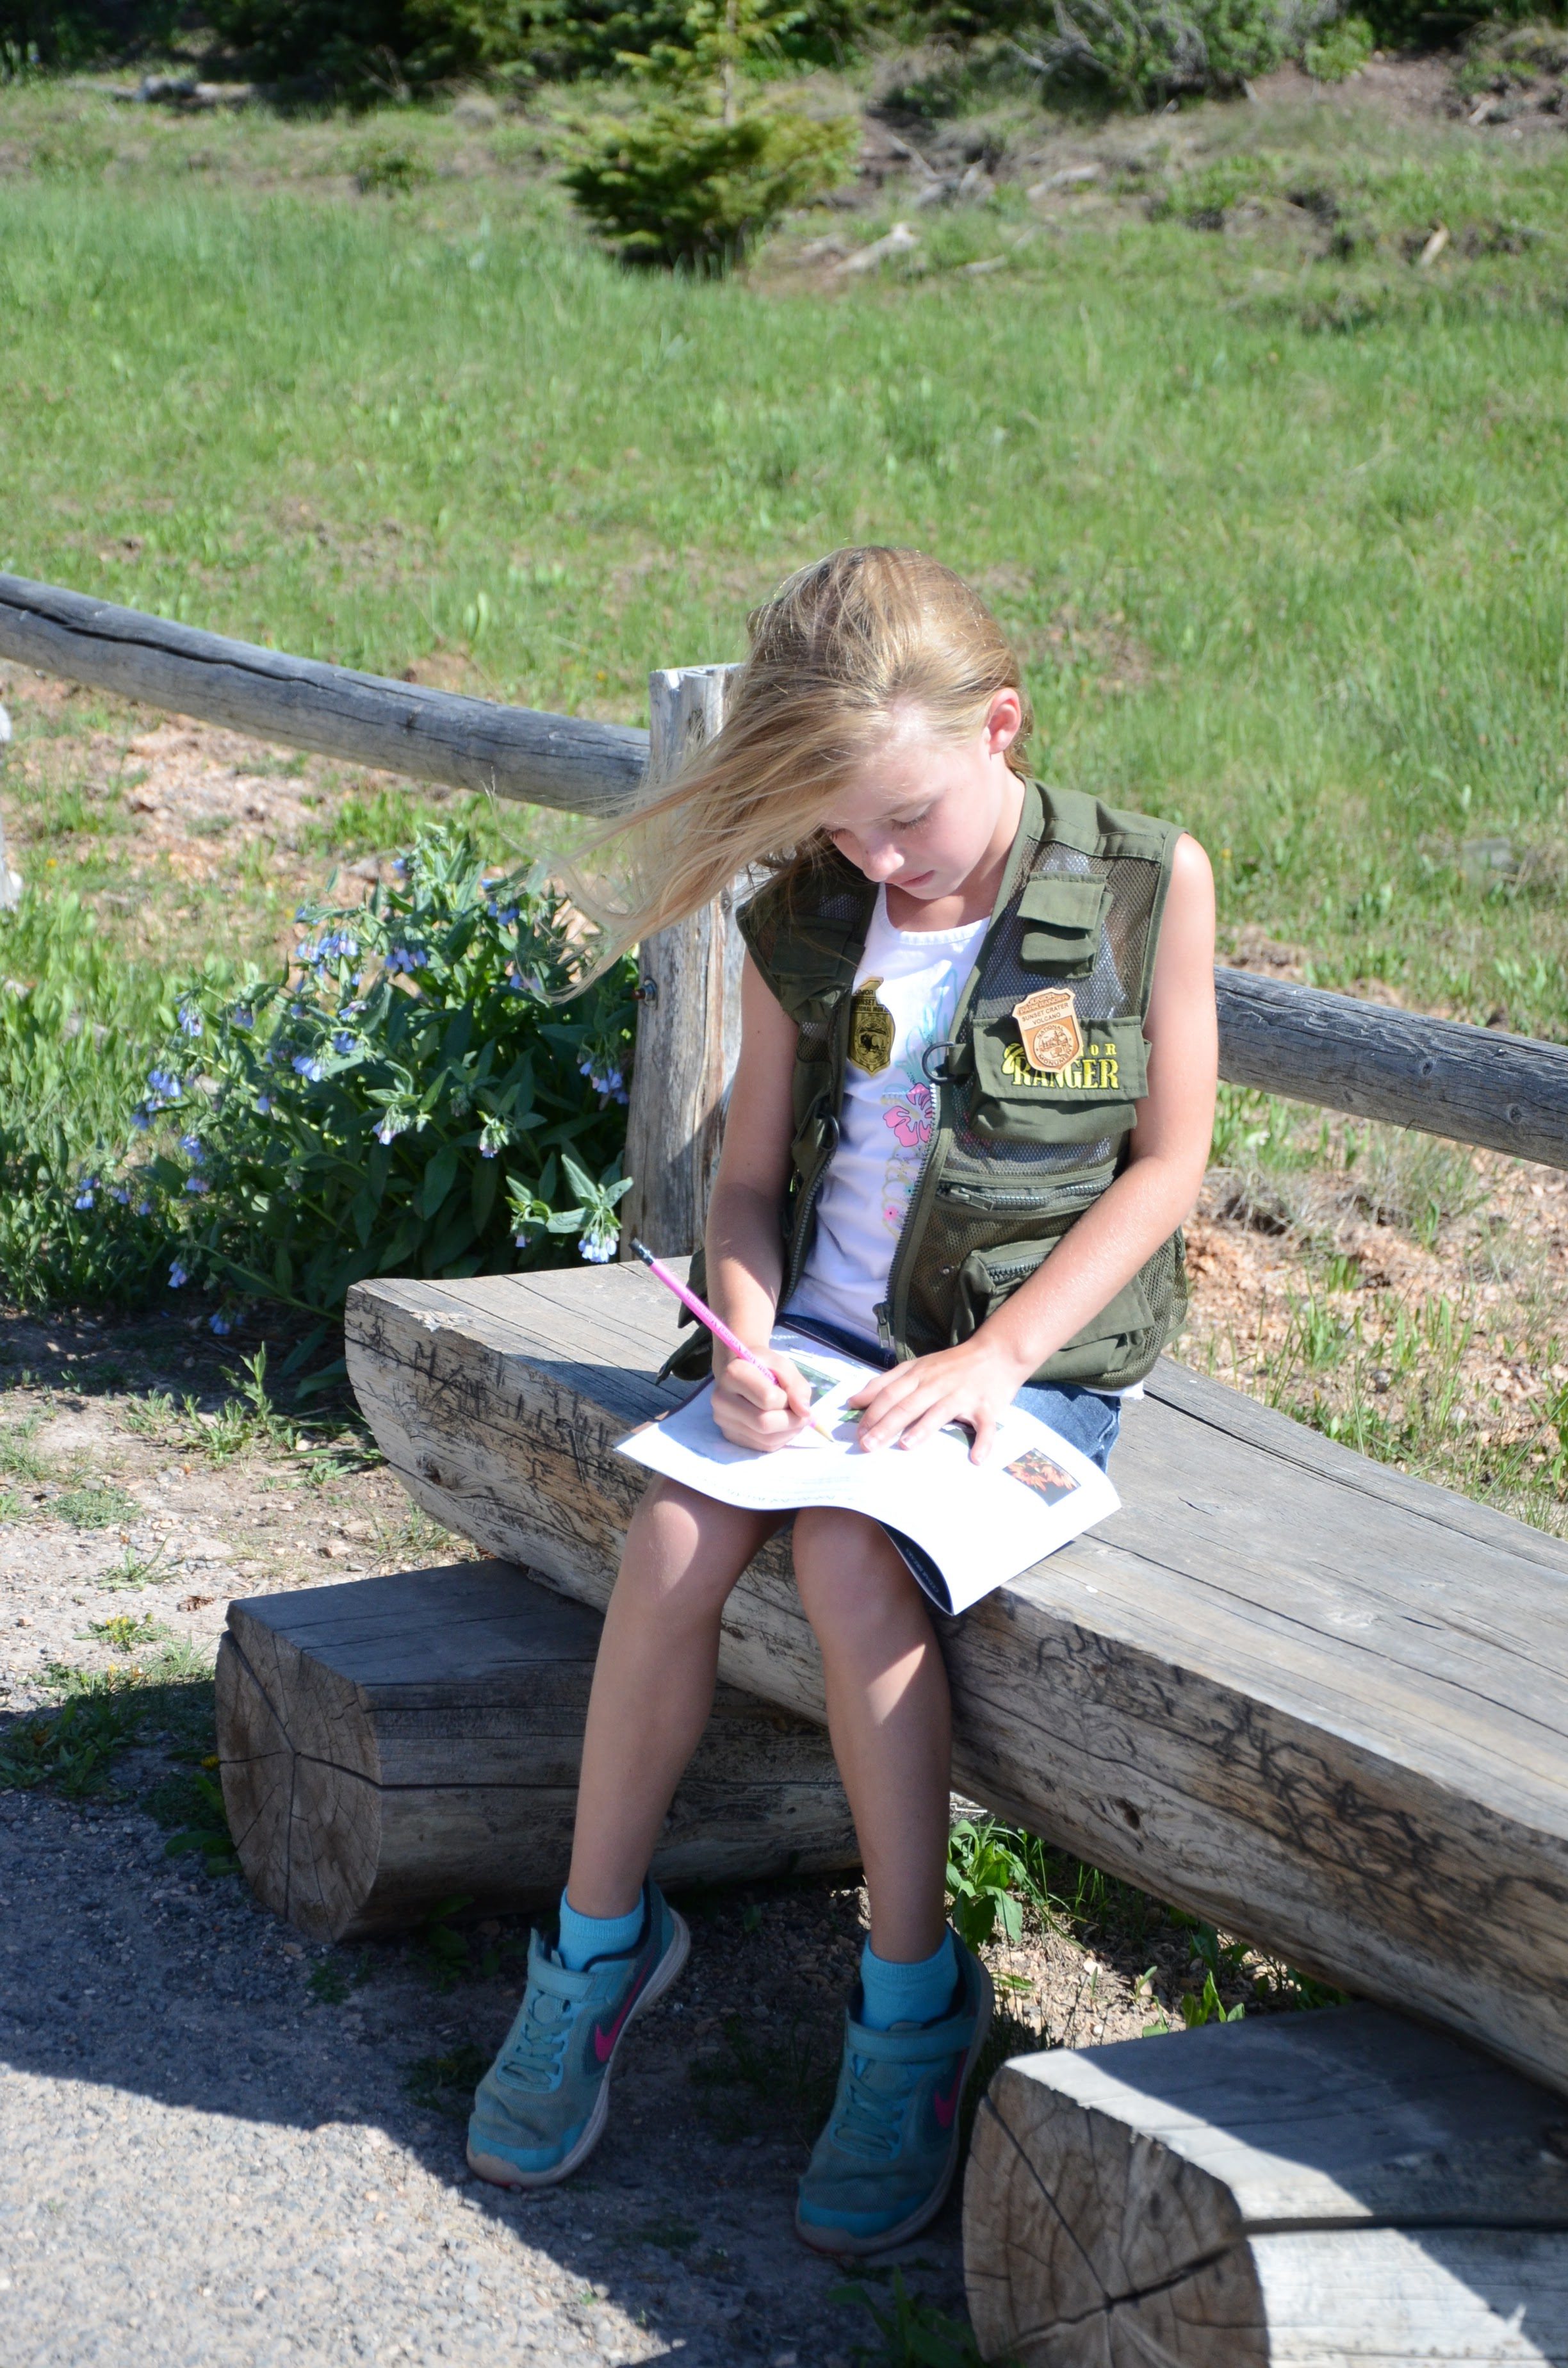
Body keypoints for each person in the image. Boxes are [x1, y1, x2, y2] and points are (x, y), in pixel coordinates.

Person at [466, 547, 1218, 2255]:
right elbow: (743, 1191)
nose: (879, 859)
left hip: (1021, 1363)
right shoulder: (806, 914)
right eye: (845, 827)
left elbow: (1166, 1166)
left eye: (905, 821)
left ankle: (910, 2003)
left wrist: (995, 1360)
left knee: (848, 1561)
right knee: (673, 1537)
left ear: (1002, 728)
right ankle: (593, 1949)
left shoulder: (1141, 884)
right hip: (814, 1352)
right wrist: (743, 1339)